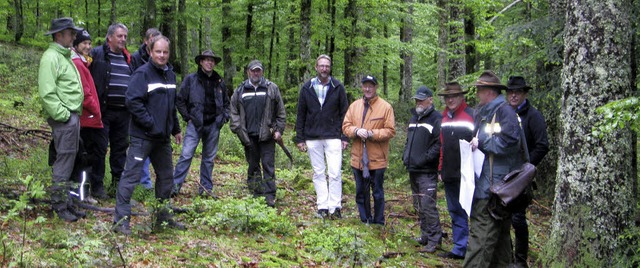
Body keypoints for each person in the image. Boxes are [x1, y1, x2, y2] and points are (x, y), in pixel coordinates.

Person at [113, 35, 184, 235]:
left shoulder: (170, 75)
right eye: (158, 51)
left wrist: (176, 128)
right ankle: (121, 223)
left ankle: (163, 218)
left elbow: (171, 106)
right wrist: (151, 124)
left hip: (162, 139)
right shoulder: (142, 74)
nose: (162, 55)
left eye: (165, 52)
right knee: (130, 177)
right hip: (142, 137)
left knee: (166, 178)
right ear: (150, 52)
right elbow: (132, 102)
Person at [464, 71, 523, 267]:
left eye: (479, 90)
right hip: (492, 186)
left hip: (494, 189)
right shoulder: (484, 112)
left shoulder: (505, 112)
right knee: (499, 240)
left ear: (490, 92)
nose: (477, 94)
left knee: (481, 238)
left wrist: (481, 142)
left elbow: (509, 144)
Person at [38, 17, 85, 222]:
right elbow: (47, 93)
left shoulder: (64, 55)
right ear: (59, 35)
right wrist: (64, 116)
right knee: (64, 161)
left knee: (70, 160)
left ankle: (67, 203)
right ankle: (59, 206)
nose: (74, 36)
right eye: (71, 33)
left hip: (71, 116)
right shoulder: (51, 57)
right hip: (65, 118)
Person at [295, 54, 349, 219]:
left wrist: (345, 136)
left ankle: (335, 207)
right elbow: (301, 114)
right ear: (316, 67)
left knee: (335, 172)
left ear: (330, 68)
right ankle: (322, 207)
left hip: (333, 136)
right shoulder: (307, 88)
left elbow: (345, 114)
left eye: (327, 66)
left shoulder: (338, 87)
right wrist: (300, 138)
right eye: (321, 66)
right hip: (312, 137)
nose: (324, 69)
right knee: (318, 173)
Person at [505, 76, 549, 268]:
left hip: (522, 177)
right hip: (503, 175)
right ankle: (505, 256)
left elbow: (542, 145)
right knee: (502, 217)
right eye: (511, 92)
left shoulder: (533, 116)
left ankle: (520, 260)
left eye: (518, 92)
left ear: (525, 94)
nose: (514, 95)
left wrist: (526, 167)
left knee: (518, 217)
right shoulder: (504, 114)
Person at [172, 50, 229, 197]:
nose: (209, 62)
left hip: (213, 125)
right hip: (195, 124)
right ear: (201, 62)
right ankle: (173, 187)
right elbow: (180, 100)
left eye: (212, 60)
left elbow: (227, 104)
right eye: (206, 60)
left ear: (214, 63)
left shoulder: (219, 81)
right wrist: (188, 117)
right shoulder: (191, 79)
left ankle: (205, 189)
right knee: (186, 155)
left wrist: (223, 118)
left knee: (208, 159)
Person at [229, 60, 286, 207]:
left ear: (262, 72)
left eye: (258, 70)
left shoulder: (271, 88)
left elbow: (281, 112)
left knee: (268, 165)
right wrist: (238, 129)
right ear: (248, 71)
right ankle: (256, 193)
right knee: (253, 165)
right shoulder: (240, 90)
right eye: (253, 70)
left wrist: (279, 130)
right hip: (248, 136)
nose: (256, 73)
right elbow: (233, 111)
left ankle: (269, 196)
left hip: (267, 135)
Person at [342, 75, 396, 225]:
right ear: (362, 87)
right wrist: (356, 131)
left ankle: (378, 221)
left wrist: (372, 134)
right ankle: (364, 218)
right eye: (365, 85)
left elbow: (390, 131)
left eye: (370, 86)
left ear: (376, 88)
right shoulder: (354, 106)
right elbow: (345, 126)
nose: (367, 89)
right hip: (357, 158)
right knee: (360, 191)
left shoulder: (386, 107)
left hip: (377, 158)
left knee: (377, 192)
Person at [90, 23, 134, 198]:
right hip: (103, 110)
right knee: (99, 149)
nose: (123, 39)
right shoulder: (97, 54)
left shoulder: (128, 58)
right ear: (110, 37)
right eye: (119, 36)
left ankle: (116, 185)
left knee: (120, 149)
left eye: (125, 36)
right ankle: (97, 186)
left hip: (124, 112)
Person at [402, 86, 442, 252]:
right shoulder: (414, 118)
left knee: (428, 205)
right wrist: (406, 156)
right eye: (417, 100)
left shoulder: (436, 118)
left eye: (422, 99)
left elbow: (439, 144)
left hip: (427, 171)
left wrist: (423, 159)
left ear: (430, 100)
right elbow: (408, 141)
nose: (419, 102)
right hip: (413, 169)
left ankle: (435, 240)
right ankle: (425, 235)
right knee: (419, 204)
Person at [437, 82, 474, 260]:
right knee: (455, 210)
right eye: (447, 97)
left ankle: (475, 248)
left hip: (469, 174)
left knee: (473, 211)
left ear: (461, 97)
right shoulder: (444, 118)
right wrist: (440, 168)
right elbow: (442, 145)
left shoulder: (471, 115)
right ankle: (460, 247)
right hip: (450, 173)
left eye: (454, 96)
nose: (450, 99)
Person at [71, 29, 104, 204]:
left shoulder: (85, 63)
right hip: (88, 119)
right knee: (86, 158)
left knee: (90, 156)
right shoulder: (77, 63)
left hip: (91, 119)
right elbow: (85, 93)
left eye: (90, 43)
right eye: (84, 43)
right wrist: (96, 111)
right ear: (76, 45)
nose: (88, 47)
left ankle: (82, 193)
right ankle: (81, 195)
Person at [131, 28, 162, 190]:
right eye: (152, 39)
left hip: (156, 112)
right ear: (146, 40)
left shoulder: (162, 62)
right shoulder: (136, 59)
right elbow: (134, 90)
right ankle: (141, 183)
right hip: (141, 110)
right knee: (139, 148)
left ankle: (147, 183)